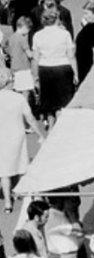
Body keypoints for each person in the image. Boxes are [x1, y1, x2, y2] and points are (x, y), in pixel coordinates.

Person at [0, 69, 43, 213]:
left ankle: (7, 202)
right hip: (17, 134)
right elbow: (30, 118)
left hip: (2, 136)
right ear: (9, 81)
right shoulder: (18, 98)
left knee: (4, 171)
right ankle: (20, 192)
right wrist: (40, 134)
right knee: (20, 164)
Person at [32, 11, 76, 124]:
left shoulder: (37, 35)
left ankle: (51, 125)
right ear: (57, 20)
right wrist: (76, 73)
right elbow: (71, 56)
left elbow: (35, 58)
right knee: (63, 101)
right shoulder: (65, 34)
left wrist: (35, 76)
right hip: (63, 67)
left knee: (49, 100)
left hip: (45, 68)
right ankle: (61, 124)